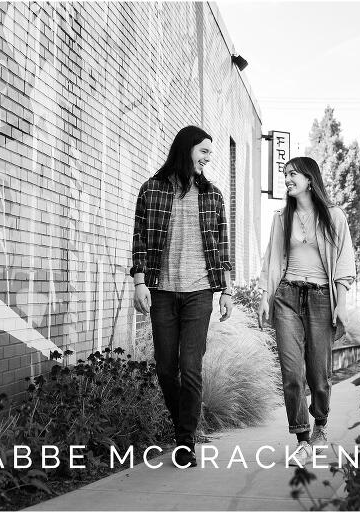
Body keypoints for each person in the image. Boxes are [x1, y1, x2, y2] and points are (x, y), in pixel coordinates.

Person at [130, 125, 234, 468]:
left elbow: (221, 246)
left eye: (210, 154)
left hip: (199, 292)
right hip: (161, 291)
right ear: (186, 149)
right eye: (203, 151)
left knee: (190, 368)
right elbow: (140, 240)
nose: (207, 158)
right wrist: (140, 283)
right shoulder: (152, 190)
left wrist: (226, 289)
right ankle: (183, 427)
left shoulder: (212, 196)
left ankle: (185, 440)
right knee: (165, 369)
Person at [257, 156, 355, 463]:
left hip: (322, 298)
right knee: (291, 372)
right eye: (285, 174)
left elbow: (344, 264)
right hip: (287, 295)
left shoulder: (334, 216)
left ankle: (320, 424)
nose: (287, 179)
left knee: (318, 373)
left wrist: (340, 303)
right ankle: (302, 438)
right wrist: (265, 296)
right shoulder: (281, 217)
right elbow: (272, 262)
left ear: (310, 179)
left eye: (293, 174)